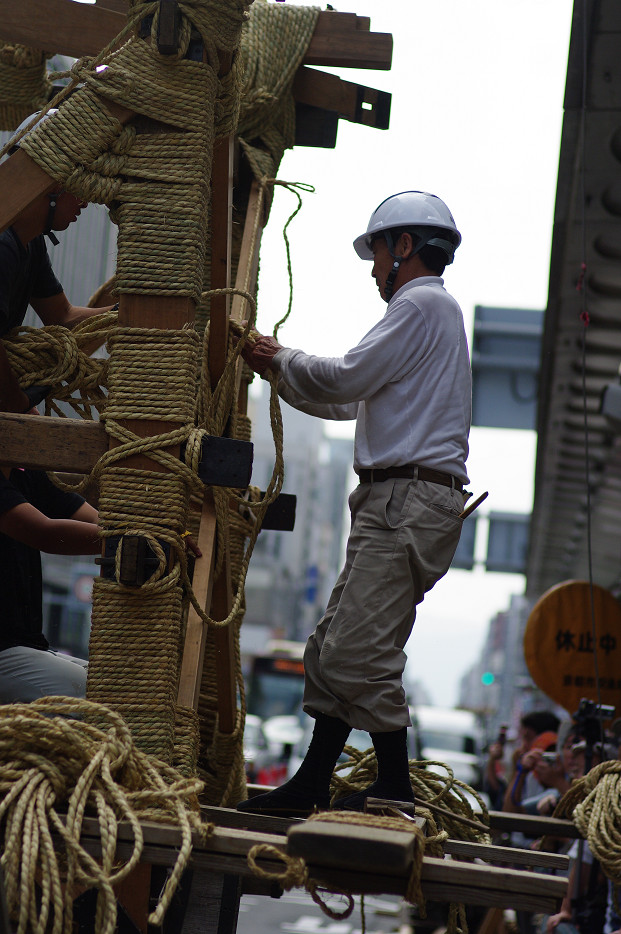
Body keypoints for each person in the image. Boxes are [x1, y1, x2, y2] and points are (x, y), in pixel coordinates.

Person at [236, 190, 470, 815]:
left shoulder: (419, 304)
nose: (373, 268)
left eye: (376, 253)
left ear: (404, 248)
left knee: (353, 650)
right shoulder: (433, 314)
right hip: (405, 502)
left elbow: (342, 380)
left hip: (405, 502)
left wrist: (275, 356)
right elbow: (347, 399)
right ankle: (313, 783)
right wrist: (277, 371)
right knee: (333, 646)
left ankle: (393, 787)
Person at [0, 110, 116, 413]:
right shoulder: (3, 243)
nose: (86, 200)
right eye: (81, 183)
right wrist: (18, 403)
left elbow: (62, 316)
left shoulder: (30, 242)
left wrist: (127, 312)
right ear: (52, 181)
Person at [0, 465, 101, 702]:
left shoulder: (25, 472)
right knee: (96, 697)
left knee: (114, 686)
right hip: (4, 650)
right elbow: (43, 532)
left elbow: (90, 516)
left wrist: (159, 533)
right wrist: (128, 538)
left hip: (21, 648)